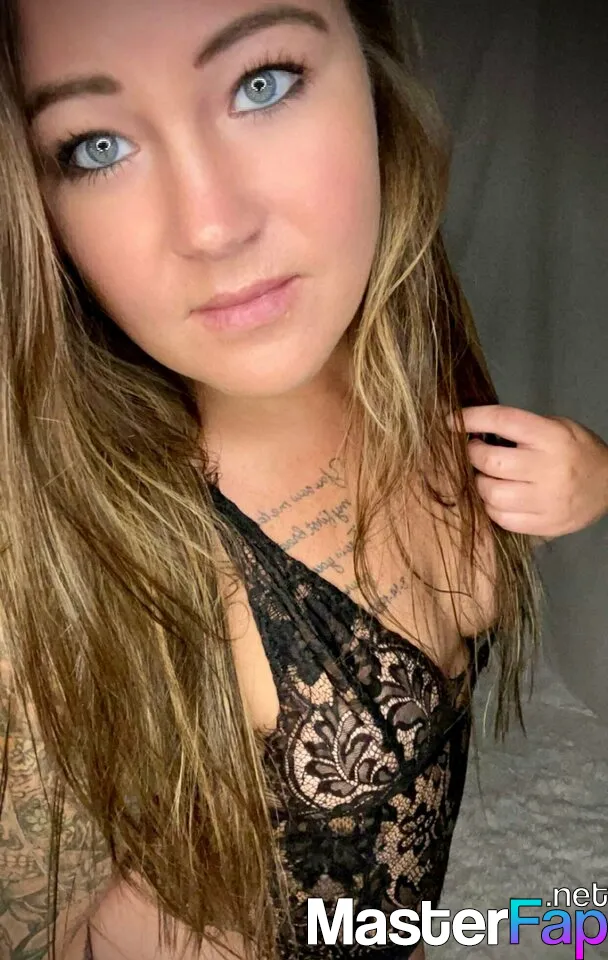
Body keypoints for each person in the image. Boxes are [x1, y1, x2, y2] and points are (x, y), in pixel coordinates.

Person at [0, 1, 606, 959]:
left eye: (261, 83)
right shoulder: (54, 556)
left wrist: (591, 473)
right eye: (98, 146)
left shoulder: (400, 340)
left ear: (372, 69)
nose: (213, 226)